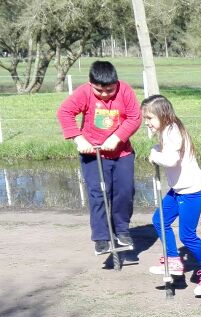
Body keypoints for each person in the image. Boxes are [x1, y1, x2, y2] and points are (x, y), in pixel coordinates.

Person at [57, 61, 141, 256]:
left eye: (109, 91)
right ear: (91, 84)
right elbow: (65, 112)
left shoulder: (125, 90)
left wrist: (117, 137)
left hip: (122, 153)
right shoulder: (84, 92)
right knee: (99, 193)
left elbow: (134, 118)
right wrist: (78, 139)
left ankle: (121, 230)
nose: (104, 95)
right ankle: (101, 236)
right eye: (99, 91)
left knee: (125, 192)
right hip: (92, 154)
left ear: (116, 83)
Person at [141, 95, 201, 296]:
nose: (146, 122)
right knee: (160, 220)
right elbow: (166, 151)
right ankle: (174, 260)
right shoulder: (167, 129)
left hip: (192, 191)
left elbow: (170, 160)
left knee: (187, 235)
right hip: (179, 190)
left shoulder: (172, 132)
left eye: (149, 118)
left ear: (163, 115)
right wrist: (156, 146)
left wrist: (154, 155)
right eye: (145, 118)